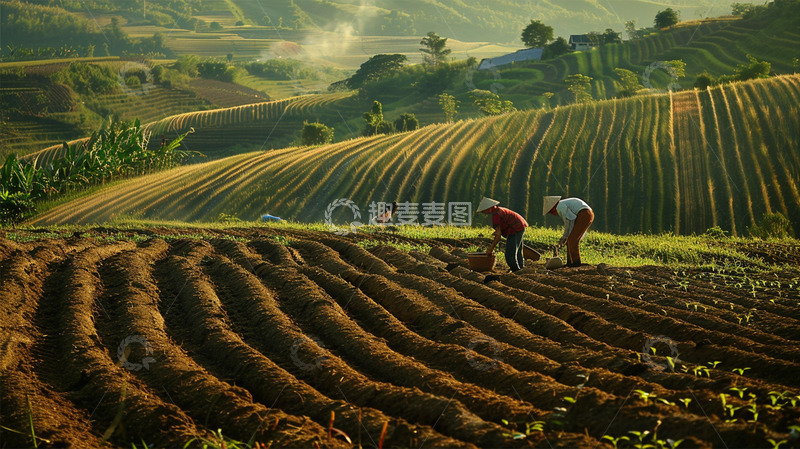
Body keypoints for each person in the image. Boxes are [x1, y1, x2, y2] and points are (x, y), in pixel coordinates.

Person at [477, 197, 528, 272]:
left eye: (484, 211)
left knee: (510, 254)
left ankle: (516, 271)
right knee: (517, 251)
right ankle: (520, 269)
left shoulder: (496, 215)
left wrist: (490, 249)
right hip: (519, 226)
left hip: (515, 229)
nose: (484, 213)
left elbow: (498, 237)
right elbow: (501, 227)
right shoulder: (498, 210)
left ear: (488, 209)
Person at [543, 195, 594, 267]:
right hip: (586, 213)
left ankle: (576, 263)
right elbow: (571, 222)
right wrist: (565, 238)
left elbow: (569, 221)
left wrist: (564, 238)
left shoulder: (560, 206)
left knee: (572, 240)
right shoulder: (563, 204)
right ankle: (570, 262)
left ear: (553, 208)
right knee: (571, 240)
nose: (554, 214)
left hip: (584, 214)